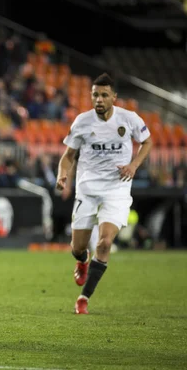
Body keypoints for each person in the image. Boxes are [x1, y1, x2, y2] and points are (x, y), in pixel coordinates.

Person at [56, 73, 152, 314]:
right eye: (95, 95)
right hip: (87, 190)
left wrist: (133, 165)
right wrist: (62, 174)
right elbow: (69, 155)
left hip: (116, 189)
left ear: (114, 97)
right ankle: (81, 260)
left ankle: (83, 298)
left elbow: (147, 142)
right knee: (77, 246)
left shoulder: (128, 119)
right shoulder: (82, 122)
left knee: (105, 241)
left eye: (104, 95)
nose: (99, 99)